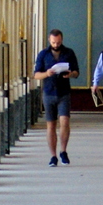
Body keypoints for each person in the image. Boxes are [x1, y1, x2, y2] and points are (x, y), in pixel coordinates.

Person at [34, 29, 79, 166]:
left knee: (65, 122)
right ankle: (53, 156)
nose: (56, 44)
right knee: (51, 125)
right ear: (49, 40)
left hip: (64, 92)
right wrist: (47, 73)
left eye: (58, 42)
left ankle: (63, 151)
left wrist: (70, 74)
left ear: (62, 40)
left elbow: (77, 72)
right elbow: (36, 75)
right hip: (48, 92)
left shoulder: (69, 52)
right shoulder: (43, 54)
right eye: (54, 42)